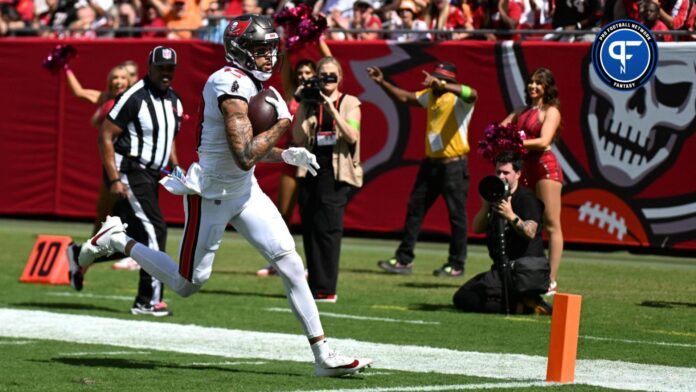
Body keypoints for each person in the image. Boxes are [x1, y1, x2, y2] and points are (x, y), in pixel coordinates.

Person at [75, 15, 372, 377]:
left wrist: (286, 154)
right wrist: (282, 127)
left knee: (291, 263)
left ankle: (323, 355)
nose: (268, 57)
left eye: (270, 49)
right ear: (240, 50)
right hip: (211, 194)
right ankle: (118, 239)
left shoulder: (267, 89)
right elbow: (245, 153)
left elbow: (253, 154)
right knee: (187, 284)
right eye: (260, 50)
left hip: (245, 190)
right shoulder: (225, 82)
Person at [67, 46, 184, 317]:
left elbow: (167, 137)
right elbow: (105, 135)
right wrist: (114, 178)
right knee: (156, 230)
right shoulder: (134, 96)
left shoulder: (174, 99)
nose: (166, 73)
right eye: (161, 68)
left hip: (154, 173)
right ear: (150, 67)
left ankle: (81, 253)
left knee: (136, 239)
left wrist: (176, 168)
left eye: (170, 68)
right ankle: (148, 300)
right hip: (132, 170)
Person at [368, 62, 477, 277]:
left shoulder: (459, 100)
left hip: (454, 165)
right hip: (431, 164)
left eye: (441, 79)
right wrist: (382, 83)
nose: (435, 82)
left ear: (450, 82)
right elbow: (406, 97)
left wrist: (443, 85)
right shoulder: (432, 96)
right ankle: (403, 260)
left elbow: (473, 93)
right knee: (415, 210)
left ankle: (456, 264)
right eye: (435, 78)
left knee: (457, 217)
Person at [293, 56, 362, 303]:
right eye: (324, 75)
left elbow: (352, 135)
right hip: (311, 169)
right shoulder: (311, 103)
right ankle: (315, 287)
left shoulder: (350, 102)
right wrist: (302, 102)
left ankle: (327, 289)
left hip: (336, 171)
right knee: (311, 229)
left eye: (333, 75)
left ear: (341, 77)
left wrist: (331, 107)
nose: (328, 80)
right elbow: (298, 138)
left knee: (328, 230)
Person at [63, 62, 141, 272]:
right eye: (114, 78)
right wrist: (66, 66)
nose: (119, 81)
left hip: (133, 167)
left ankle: (84, 261)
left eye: (124, 77)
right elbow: (79, 92)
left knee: (133, 219)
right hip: (113, 167)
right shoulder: (107, 99)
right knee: (104, 219)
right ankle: (81, 265)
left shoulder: (137, 100)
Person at [453, 151, 551, 314]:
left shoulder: (527, 199)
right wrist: (486, 206)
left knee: (465, 299)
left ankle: (526, 307)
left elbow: (531, 231)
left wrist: (510, 215)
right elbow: (477, 228)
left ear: (518, 174)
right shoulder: (497, 196)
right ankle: (521, 301)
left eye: (506, 172)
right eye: (498, 172)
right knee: (465, 295)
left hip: (525, 271)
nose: (501, 176)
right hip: (502, 269)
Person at [500, 67, 563, 295]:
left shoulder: (551, 111)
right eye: (531, 82)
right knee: (527, 220)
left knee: (550, 223)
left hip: (544, 166)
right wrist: (499, 138)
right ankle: (527, 270)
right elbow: (499, 129)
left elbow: (544, 140)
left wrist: (515, 142)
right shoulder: (521, 111)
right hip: (525, 166)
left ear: (547, 88)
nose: (533, 86)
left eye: (539, 83)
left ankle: (551, 279)